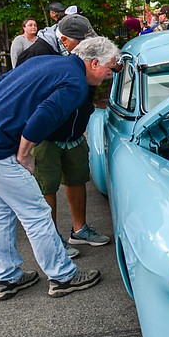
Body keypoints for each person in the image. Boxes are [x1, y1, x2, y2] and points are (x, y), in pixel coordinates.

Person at [0, 34, 120, 300]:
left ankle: (7, 278)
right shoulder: (75, 84)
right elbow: (43, 117)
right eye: (109, 69)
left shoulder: (46, 61)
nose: (108, 76)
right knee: (37, 213)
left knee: (1, 211)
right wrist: (24, 155)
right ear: (94, 63)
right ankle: (63, 276)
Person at [20, 14, 112, 251]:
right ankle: (52, 241)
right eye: (80, 40)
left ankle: (79, 230)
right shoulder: (37, 52)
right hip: (47, 135)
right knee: (47, 186)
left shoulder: (78, 52)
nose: (84, 44)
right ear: (63, 39)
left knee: (77, 178)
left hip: (74, 131)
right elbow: (30, 95)